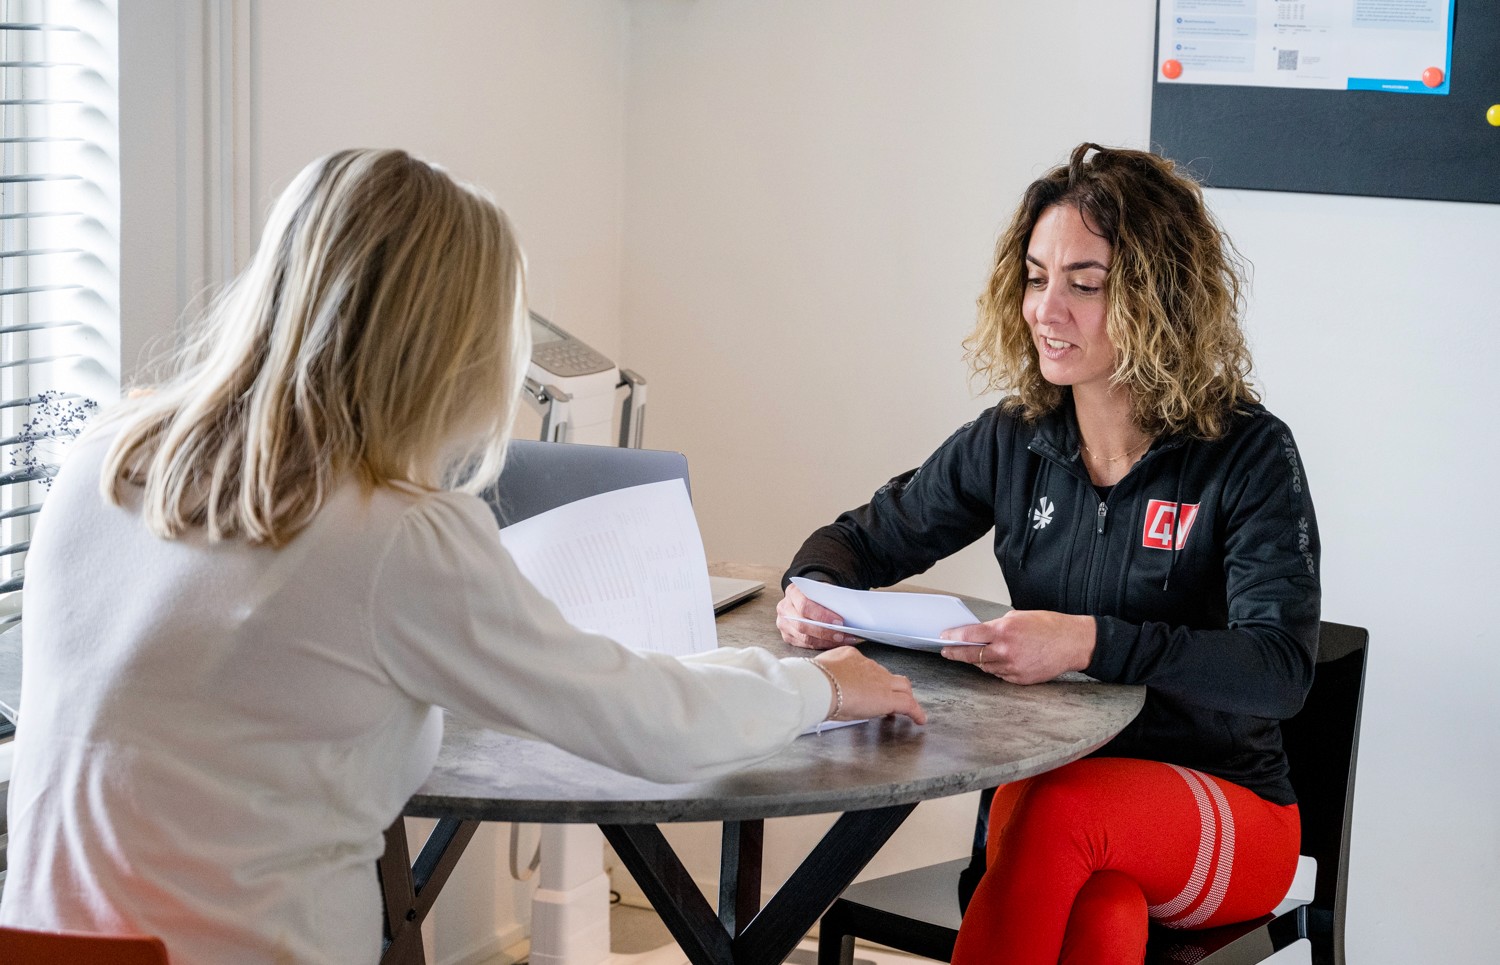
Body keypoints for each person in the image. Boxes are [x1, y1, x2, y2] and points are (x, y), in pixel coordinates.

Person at [0, 149, 925, 965]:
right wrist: (822, 686)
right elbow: (648, 721)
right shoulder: (390, 532)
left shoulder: (106, 456)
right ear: (448, 348)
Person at [776, 143, 1319, 964]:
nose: (1046, 309)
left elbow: (1278, 670)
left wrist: (1090, 640)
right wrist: (810, 589)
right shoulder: (1015, 439)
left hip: (1227, 810)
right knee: (1101, 914)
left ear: (1158, 296)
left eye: (1085, 284)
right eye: (1035, 278)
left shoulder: (1245, 454)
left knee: (1056, 812)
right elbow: (861, 539)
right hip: (1059, 808)